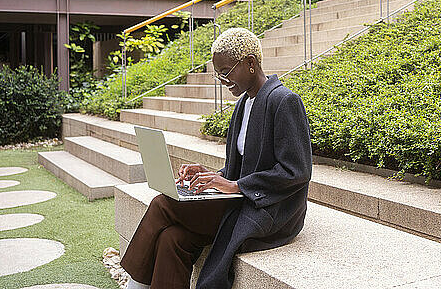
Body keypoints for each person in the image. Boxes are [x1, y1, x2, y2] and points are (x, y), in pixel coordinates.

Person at [121, 27, 313, 289]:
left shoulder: (283, 101)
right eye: (218, 74)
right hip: (240, 198)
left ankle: (132, 286)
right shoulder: (242, 104)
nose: (222, 80)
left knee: (161, 204)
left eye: (225, 71)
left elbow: (297, 171)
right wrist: (213, 175)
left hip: (269, 209)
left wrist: (236, 186)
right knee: (172, 238)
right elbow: (245, 165)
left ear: (250, 64)